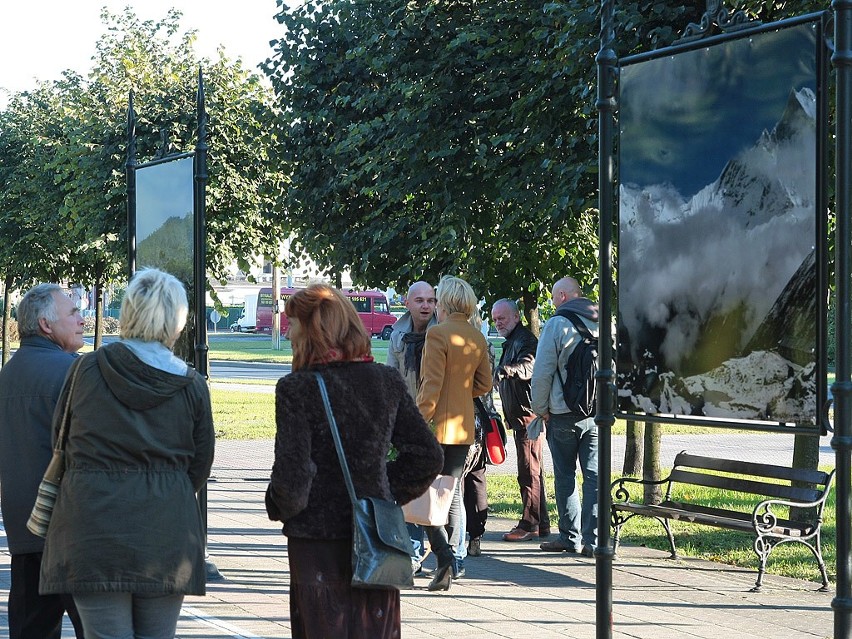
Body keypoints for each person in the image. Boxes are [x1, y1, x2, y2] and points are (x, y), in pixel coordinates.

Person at [39, 268, 215, 638]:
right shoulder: (192, 384)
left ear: (129, 312)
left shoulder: (84, 371)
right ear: (178, 320)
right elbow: (200, 464)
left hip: (92, 528)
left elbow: (62, 439)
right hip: (166, 533)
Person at [266, 284, 443, 638]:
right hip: (375, 532)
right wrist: (380, 489)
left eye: (294, 325)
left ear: (314, 330)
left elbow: (293, 477)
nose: (289, 333)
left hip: (316, 540)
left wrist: (278, 504)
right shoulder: (385, 380)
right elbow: (427, 456)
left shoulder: (297, 388)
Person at [0, 284, 86, 639]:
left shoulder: (6, 375)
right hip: (73, 527)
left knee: (30, 628)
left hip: (24, 528)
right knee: (99, 628)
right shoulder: (78, 373)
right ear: (46, 325)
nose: (83, 319)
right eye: (72, 313)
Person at [417, 276, 492, 591]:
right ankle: (449, 561)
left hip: (435, 427)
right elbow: (484, 385)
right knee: (445, 497)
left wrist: (416, 421)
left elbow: (430, 385)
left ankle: (446, 557)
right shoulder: (476, 337)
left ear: (443, 303)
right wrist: (461, 395)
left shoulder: (437, 334)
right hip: (463, 431)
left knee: (423, 497)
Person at [530, 276, 599, 557]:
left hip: (562, 412)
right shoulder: (605, 322)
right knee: (594, 476)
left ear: (561, 296)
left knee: (565, 475)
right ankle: (594, 541)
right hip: (597, 413)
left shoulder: (556, 324)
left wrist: (540, 409)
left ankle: (570, 538)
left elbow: (543, 371)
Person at [386, 280, 438, 574]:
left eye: (430, 300)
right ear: (407, 303)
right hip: (408, 419)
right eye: (419, 300)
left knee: (442, 490)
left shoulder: (440, 332)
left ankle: (449, 553)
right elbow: (392, 376)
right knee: (410, 486)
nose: (425, 306)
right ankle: (414, 551)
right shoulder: (398, 333)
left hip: (438, 420)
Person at [492, 298, 551, 542]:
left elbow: (529, 366)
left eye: (502, 318)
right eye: (495, 319)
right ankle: (541, 523)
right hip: (520, 416)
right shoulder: (511, 341)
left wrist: (509, 370)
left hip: (529, 417)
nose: (498, 323)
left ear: (516, 317)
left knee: (529, 472)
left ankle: (529, 523)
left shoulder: (526, 340)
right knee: (532, 470)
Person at [462, 313, 499, 558]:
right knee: (477, 477)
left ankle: (451, 538)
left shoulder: (458, 344)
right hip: (485, 418)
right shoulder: (487, 347)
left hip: (463, 415)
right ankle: (476, 536)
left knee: (455, 478)